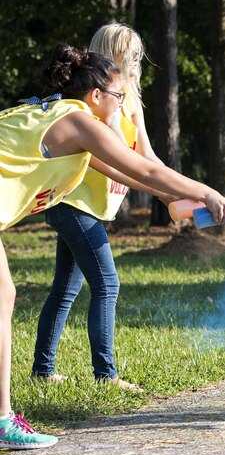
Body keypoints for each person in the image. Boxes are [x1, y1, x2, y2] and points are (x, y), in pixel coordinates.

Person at [0, 44, 225, 449]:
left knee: (5, 296)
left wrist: (174, 199)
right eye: (119, 96)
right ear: (96, 97)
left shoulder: (66, 125)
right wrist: (209, 193)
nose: (122, 105)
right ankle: (2, 421)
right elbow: (145, 165)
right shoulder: (80, 122)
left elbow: (137, 175)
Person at [32, 25, 164, 390]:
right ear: (113, 54)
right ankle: (106, 376)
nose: (139, 59)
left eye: (140, 51)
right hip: (72, 203)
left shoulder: (131, 102)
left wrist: (187, 191)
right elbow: (111, 155)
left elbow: (147, 157)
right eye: (132, 52)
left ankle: (43, 370)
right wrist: (110, 115)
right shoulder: (89, 102)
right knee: (107, 284)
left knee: (65, 289)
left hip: (92, 207)